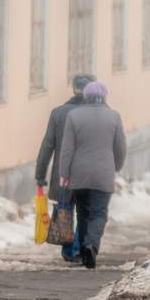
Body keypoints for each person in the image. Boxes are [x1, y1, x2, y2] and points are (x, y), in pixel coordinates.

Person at [59, 81, 126, 269]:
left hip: (78, 174)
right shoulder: (114, 116)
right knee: (99, 213)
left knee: (82, 213)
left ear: (85, 97)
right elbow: (120, 147)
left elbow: (67, 149)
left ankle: (82, 250)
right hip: (103, 173)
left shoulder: (74, 116)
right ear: (104, 97)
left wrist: (64, 173)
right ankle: (91, 245)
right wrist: (117, 165)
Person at [35, 74, 95, 262]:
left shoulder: (58, 113)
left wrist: (40, 174)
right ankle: (76, 249)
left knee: (64, 209)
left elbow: (47, 146)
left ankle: (68, 249)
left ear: (73, 89)